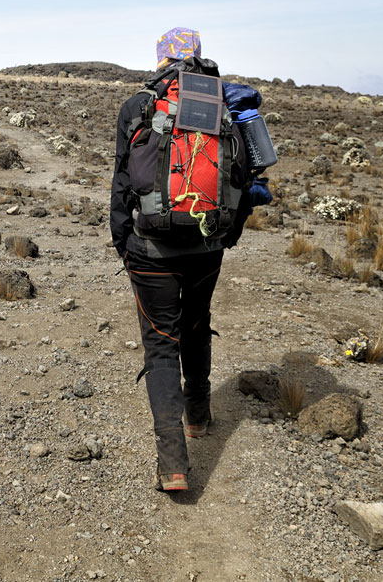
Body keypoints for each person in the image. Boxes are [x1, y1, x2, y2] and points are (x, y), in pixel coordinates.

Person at [109, 27, 271, 493]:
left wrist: (124, 242)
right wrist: (227, 236)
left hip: (151, 250)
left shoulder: (138, 106)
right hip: (208, 245)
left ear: (161, 59)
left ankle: (174, 463)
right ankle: (198, 415)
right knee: (197, 323)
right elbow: (245, 178)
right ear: (199, 56)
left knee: (161, 344)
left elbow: (122, 184)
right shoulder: (229, 105)